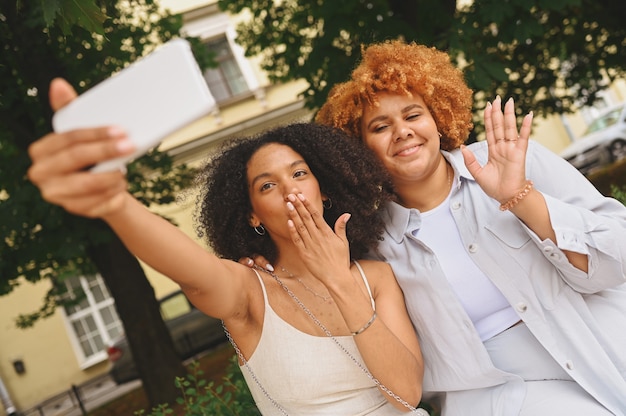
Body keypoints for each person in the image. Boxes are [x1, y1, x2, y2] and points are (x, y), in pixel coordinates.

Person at [250, 40, 626, 415]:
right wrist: (265, 263)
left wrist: (520, 197)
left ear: (437, 117)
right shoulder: (367, 238)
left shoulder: (514, 163)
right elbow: (326, 281)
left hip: (599, 352)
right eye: (381, 127)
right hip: (491, 398)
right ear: (359, 149)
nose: (402, 132)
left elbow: (615, 262)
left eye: (413, 116)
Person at [28, 79, 427, 415]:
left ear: (323, 192)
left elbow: (406, 394)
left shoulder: (376, 276)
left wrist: (338, 279)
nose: (290, 191)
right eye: (267, 185)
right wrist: (117, 205)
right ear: (252, 215)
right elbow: (191, 269)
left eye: (300, 174)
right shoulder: (250, 290)